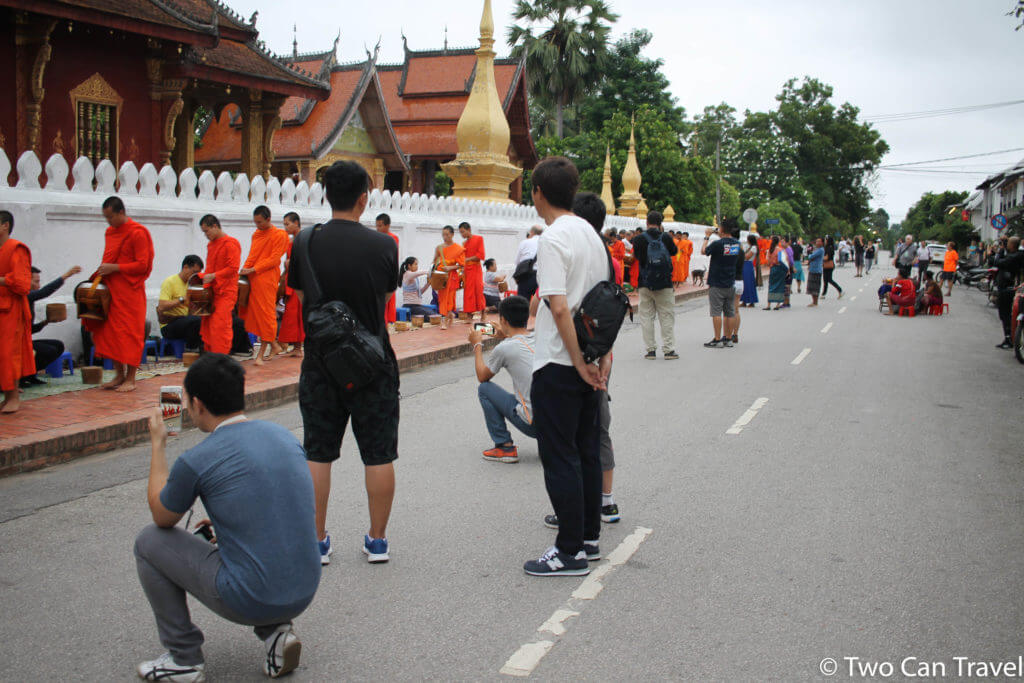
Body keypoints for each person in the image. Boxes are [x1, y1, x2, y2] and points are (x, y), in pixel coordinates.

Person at [133, 354, 320, 681]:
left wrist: (157, 446)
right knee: (251, 550)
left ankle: (183, 659)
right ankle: (277, 633)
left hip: (252, 597)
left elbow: (162, 517)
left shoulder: (197, 459)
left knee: (149, 541)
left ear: (197, 404)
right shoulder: (282, 436)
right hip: (305, 588)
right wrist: (226, 526)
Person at [288, 160, 400, 565]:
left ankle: (316, 540)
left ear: (325, 195)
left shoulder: (303, 242)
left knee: (318, 451)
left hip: (321, 363)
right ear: (364, 199)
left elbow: (302, 302)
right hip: (374, 362)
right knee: (379, 453)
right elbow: (384, 302)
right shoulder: (386, 245)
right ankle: (378, 540)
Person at [524, 157, 609, 577]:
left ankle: (569, 550)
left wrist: (576, 362)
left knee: (560, 457)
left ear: (538, 192)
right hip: (590, 361)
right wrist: (601, 358)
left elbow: (558, 307)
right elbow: (607, 303)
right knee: (586, 452)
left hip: (561, 363)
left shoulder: (553, 238)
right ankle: (588, 538)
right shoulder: (594, 238)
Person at [84, 196, 155, 392]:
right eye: (106, 218)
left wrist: (114, 268)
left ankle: (131, 378)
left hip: (130, 292)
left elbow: (143, 265)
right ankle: (118, 374)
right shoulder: (110, 232)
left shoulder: (138, 233)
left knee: (130, 334)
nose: (108, 222)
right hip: (111, 291)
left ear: (121, 212)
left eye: (111, 217)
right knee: (109, 333)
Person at [470, 295, 536, 463]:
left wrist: (477, 345)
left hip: (535, 424)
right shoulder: (539, 338)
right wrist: (506, 335)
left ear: (503, 320)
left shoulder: (505, 348)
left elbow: (482, 376)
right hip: (560, 422)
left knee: (485, 389)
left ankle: (504, 447)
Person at [240, 206, 288, 365]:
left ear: (268, 219)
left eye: (260, 222)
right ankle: (274, 345)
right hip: (254, 279)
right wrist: (245, 270)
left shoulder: (280, 235)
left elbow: (275, 259)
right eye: (255, 222)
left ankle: (261, 354)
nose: (258, 225)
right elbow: (252, 255)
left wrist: (254, 269)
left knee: (266, 314)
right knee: (258, 314)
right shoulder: (257, 235)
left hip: (267, 278)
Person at [21, 264, 82, 387]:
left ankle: (31, 375)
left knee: (58, 345)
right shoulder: (23, 296)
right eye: (36, 281)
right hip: (16, 345)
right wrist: (66, 275)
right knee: (48, 350)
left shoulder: (29, 300)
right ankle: (22, 377)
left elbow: (29, 330)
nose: (38, 286)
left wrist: (46, 322)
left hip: (25, 340)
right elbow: (44, 292)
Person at [0, 211, 35, 413]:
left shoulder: (16, 249)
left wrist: (2, 280)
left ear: (5, 226)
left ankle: (13, 397)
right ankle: (6, 396)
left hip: (11, 309)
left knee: (9, 353)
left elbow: (23, 284)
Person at [633, 210, 679, 360]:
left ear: (646, 222)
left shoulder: (639, 239)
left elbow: (637, 257)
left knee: (646, 317)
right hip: (664, 283)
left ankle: (651, 350)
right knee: (666, 316)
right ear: (661, 224)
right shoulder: (665, 237)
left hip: (645, 283)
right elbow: (674, 251)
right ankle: (669, 350)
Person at [196, 215, 241, 355]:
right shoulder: (211, 245)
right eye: (204, 232)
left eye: (207, 231)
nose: (206, 235)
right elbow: (210, 267)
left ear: (215, 226)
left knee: (220, 325)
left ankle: (220, 357)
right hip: (211, 291)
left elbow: (233, 268)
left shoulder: (231, 243)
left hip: (226, 292)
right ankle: (210, 356)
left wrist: (214, 276)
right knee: (208, 324)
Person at [701, 218, 741, 348]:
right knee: (730, 312)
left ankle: (717, 339)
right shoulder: (736, 244)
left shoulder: (717, 244)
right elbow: (726, 245)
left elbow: (703, 251)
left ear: (722, 229)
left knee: (716, 312)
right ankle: (728, 338)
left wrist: (707, 236)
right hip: (730, 281)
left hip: (717, 282)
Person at [158, 255, 204, 350]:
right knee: (195, 321)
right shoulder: (170, 282)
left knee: (206, 319)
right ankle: (191, 349)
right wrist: (182, 299)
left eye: (198, 274)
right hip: (169, 324)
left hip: (185, 321)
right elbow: (161, 307)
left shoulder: (191, 284)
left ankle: (203, 349)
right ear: (185, 267)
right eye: (194, 272)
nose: (195, 276)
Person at [277, 212, 304, 357]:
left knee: (297, 314)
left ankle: (298, 348)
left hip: (300, 282)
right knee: (291, 315)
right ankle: (296, 347)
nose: (285, 227)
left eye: (287, 224)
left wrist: (291, 263)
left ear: (296, 223)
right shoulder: (292, 241)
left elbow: (306, 261)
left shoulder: (303, 240)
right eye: (284, 224)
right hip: (291, 281)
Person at [994, 236, 1024, 349]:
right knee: (1006, 315)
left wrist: (1001, 250)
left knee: (1005, 315)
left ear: (1012, 245)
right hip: (1008, 288)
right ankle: (1010, 338)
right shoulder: (1017, 255)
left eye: (1008, 243)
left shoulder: (1013, 257)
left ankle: (1009, 338)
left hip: (1007, 289)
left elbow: (997, 262)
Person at [433, 226, 465, 329]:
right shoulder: (439, 248)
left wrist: (450, 267)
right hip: (441, 276)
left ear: (452, 234)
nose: (445, 237)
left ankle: (445, 320)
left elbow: (462, 264)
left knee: (450, 297)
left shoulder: (459, 249)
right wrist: (432, 274)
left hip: (452, 276)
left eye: (447, 234)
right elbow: (434, 261)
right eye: (443, 234)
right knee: (442, 298)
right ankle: (449, 315)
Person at [376, 213, 400, 327]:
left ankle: (386, 325)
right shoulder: (375, 237)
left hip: (389, 273)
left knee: (387, 301)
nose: (378, 228)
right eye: (377, 226)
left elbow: (393, 257)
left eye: (380, 226)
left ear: (387, 226)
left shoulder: (393, 238)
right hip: (378, 273)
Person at [460, 222, 486, 321]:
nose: (462, 234)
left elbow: (480, 255)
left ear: (469, 230)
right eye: (460, 233)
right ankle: (469, 315)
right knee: (468, 293)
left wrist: (467, 259)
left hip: (476, 269)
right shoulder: (464, 243)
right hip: (467, 270)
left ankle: (483, 312)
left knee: (478, 290)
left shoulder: (479, 239)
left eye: (463, 232)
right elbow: (462, 257)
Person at [513, 225, 542, 300]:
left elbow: (517, 261)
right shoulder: (546, 243)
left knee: (522, 302)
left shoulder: (525, 243)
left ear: (531, 232)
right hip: (541, 276)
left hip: (526, 275)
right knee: (540, 302)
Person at [765, 236, 788, 311]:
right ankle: (778, 304)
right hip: (780, 269)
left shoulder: (769, 251)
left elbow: (767, 262)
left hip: (772, 269)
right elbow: (785, 260)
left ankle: (768, 305)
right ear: (778, 242)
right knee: (780, 286)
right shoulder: (780, 250)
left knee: (771, 286)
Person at [741, 234, 759, 307]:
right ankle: (744, 301)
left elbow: (747, 257)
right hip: (744, 265)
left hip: (748, 265)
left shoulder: (754, 248)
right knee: (744, 284)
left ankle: (751, 301)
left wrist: (741, 253)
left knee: (749, 284)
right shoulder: (749, 247)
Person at [806, 237, 825, 307]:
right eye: (816, 241)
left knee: (815, 286)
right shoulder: (817, 250)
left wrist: (810, 255)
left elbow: (811, 256)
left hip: (817, 270)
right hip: (812, 269)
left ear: (822, 243)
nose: (817, 243)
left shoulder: (820, 250)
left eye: (819, 241)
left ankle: (815, 302)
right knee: (811, 286)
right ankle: (814, 301)